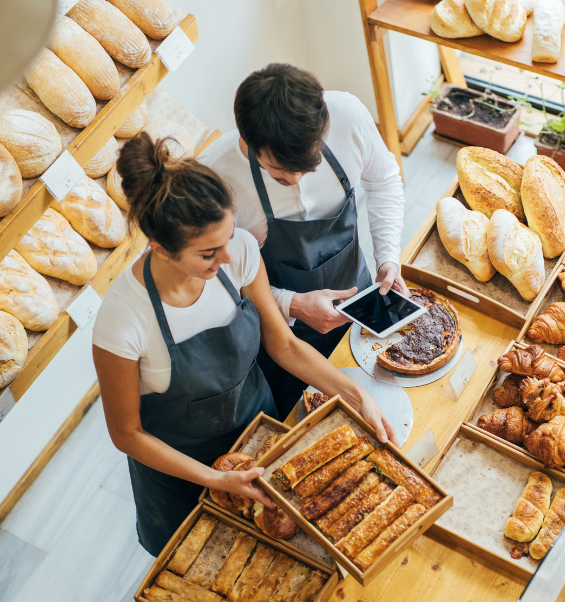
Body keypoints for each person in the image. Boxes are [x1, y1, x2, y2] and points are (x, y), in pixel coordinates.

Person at [92, 133, 395, 556]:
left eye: (229, 237)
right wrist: (215, 479)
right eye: (208, 253)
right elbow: (127, 434)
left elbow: (284, 346)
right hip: (183, 478)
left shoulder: (240, 252)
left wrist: (356, 395)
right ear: (159, 248)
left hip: (260, 439)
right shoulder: (123, 320)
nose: (228, 259)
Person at [199, 63, 406, 415]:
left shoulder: (348, 116)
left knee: (383, 398)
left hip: (360, 305)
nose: (295, 179)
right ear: (248, 141)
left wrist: (387, 255)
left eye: (306, 167)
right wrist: (291, 304)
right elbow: (217, 283)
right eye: (279, 171)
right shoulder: (215, 180)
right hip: (282, 337)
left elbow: (383, 180)